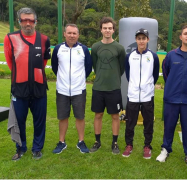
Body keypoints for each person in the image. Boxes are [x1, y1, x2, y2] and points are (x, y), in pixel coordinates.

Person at [4, 7, 51, 160]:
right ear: (19, 21)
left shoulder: (44, 39)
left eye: (31, 20)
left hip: (39, 88)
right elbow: (11, 63)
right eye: (24, 20)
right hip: (19, 88)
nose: (28, 23)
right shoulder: (10, 38)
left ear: (35, 22)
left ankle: (37, 148)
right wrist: (22, 76)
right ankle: (20, 147)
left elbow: (43, 62)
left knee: (39, 121)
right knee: (19, 121)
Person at [156, 25, 187, 168]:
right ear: (181, 37)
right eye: (185, 33)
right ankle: (165, 150)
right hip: (171, 99)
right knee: (169, 126)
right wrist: (172, 87)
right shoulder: (171, 55)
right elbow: (166, 73)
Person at [51, 24, 92, 154]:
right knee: (63, 117)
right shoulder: (58, 48)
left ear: (78, 35)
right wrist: (63, 79)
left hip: (78, 90)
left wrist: (79, 80)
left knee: (80, 116)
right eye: (69, 33)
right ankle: (61, 142)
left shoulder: (83, 49)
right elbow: (54, 67)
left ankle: (81, 141)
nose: (72, 35)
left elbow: (88, 68)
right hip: (62, 90)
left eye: (74, 33)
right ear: (64, 34)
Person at [122, 28, 160, 159]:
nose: (141, 41)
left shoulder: (153, 56)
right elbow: (128, 74)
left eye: (144, 38)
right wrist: (135, 86)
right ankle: (129, 145)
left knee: (148, 122)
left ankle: (147, 146)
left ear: (148, 40)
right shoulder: (130, 56)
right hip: (132, 95)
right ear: (136, 40)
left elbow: (155, 76)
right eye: (139, 38)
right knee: (130, 122)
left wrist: (147, 86)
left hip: (147, 95)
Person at [90, 17, 126, 154]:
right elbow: (95, 65)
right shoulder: (95, 47)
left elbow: (121, 68)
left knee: (115, 116)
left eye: (110, 28)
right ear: (101, 29)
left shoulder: (119, 48)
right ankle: (97, 141)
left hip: (114, 88)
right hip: (98, 88)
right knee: (98, 115)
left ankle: (115, 143)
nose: (107, 30)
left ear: (113, 30)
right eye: (105, 28)